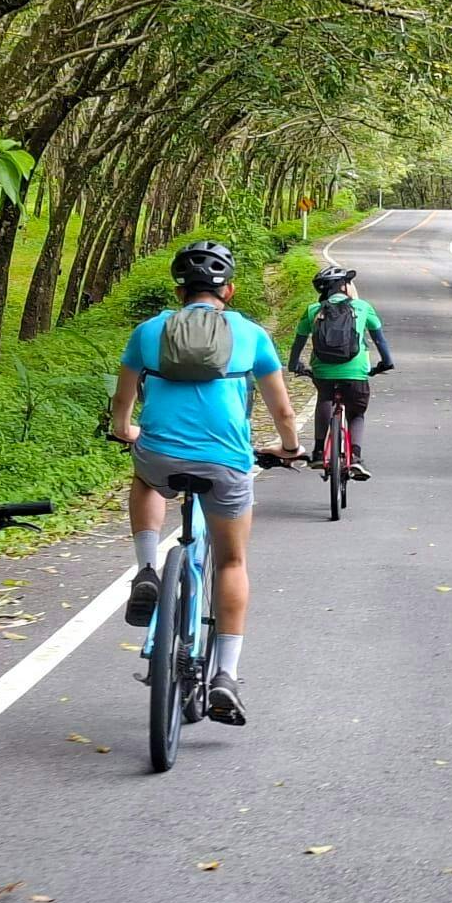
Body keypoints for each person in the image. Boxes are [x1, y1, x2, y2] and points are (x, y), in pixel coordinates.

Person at [107, 240, 304, 726]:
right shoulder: (252, 334)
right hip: (226, 462)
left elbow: (122, 401)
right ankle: (226, 678)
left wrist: (124, 432)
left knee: (146, 476)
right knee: (232, 560)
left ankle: (148, 569)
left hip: (159, 454)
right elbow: (281, 409)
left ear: (179, 290)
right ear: (229, 291)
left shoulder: (149, 331)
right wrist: (290, 447)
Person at [288, 264, 393, 478]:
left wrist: (294, 365)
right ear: (344, 286)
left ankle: (318, 452)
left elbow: (298, 343)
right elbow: (379, 339)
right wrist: (386, 363)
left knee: (324, 399)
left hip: (323, 372)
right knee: (356, 413)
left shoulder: (312, 311)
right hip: (356, 373)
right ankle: (354, 457)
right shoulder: (362, 307)